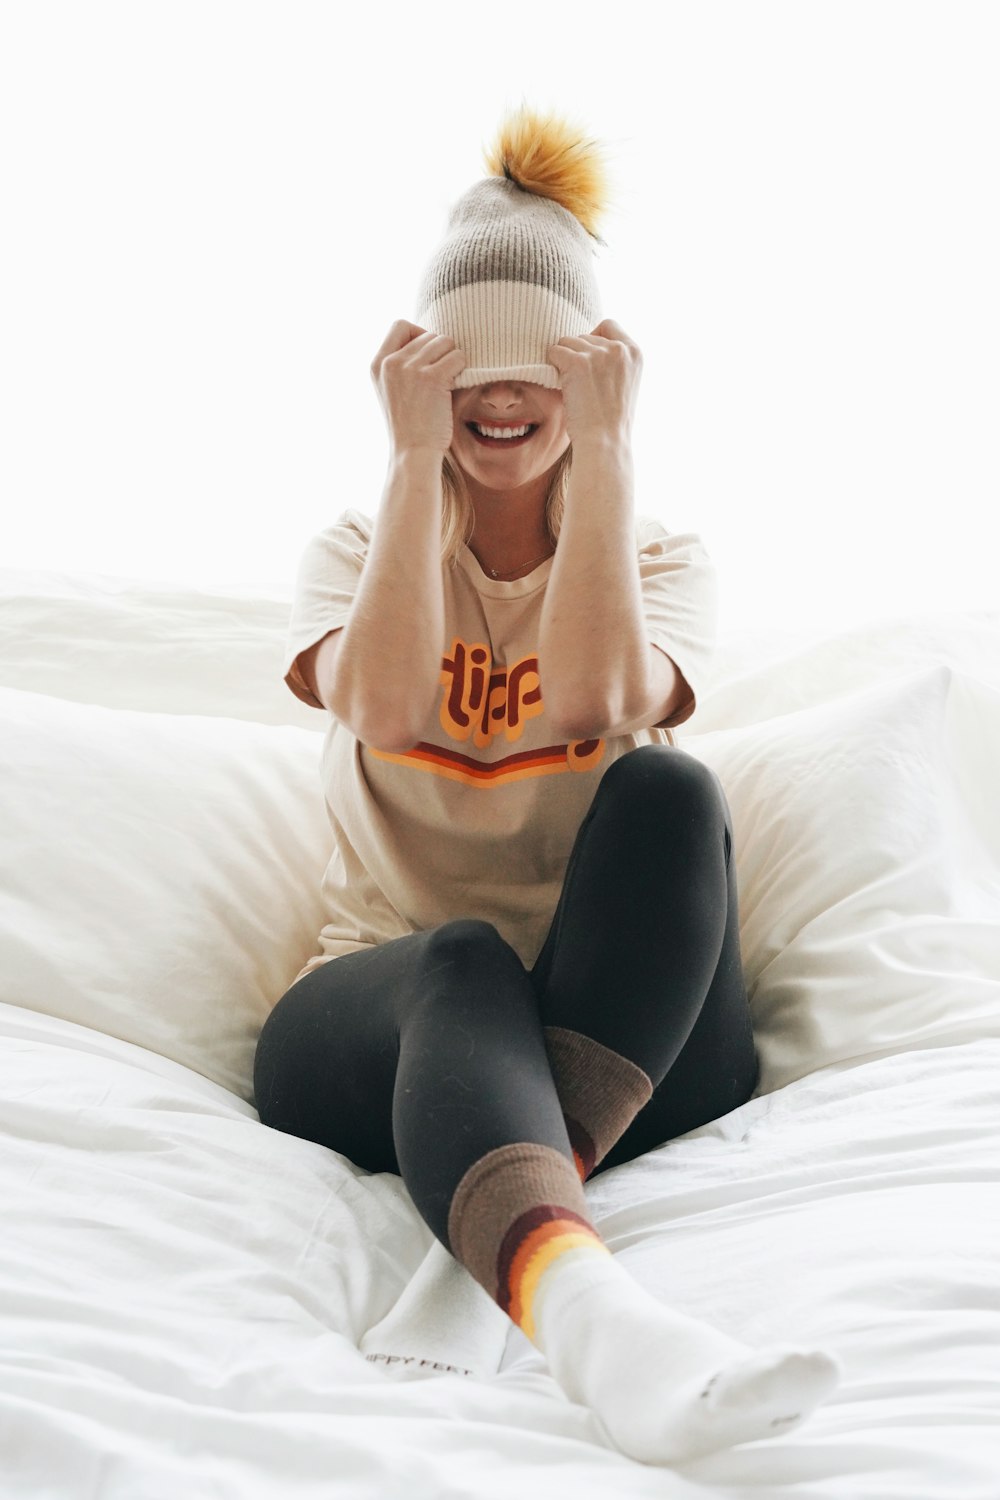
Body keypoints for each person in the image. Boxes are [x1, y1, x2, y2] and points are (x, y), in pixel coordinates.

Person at [253, 106, 841, 1467]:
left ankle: (498, 1239)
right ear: (420, 376)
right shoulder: (354, 551)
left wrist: (612, 459)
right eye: (468, 369)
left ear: (588, 379)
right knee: (462, 958)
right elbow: (389, 704)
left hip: (636, 1039)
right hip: (396, 1028)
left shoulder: (665, 558)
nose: (499, 399)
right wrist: (412, 468)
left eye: (537, 369)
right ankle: (585, 1310)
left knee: (671, 795)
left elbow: (594, 704)